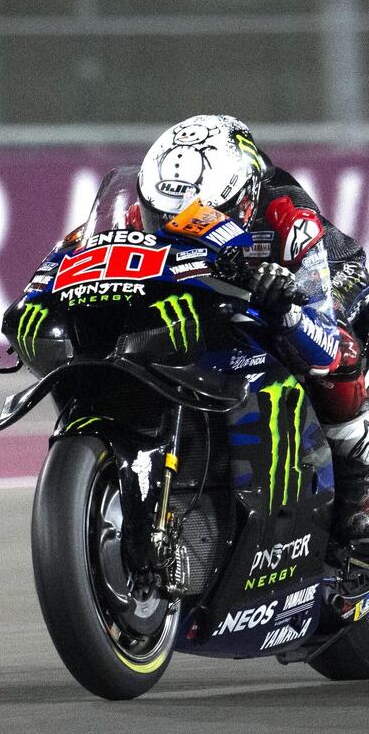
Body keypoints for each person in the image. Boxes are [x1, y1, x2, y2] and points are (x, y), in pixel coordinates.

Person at [132, 114, 369, 557]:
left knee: (335, 355)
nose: (171, 228)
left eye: (197, 219)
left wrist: (287, 309)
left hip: (332, 281)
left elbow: (329, 345)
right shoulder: (146, 215)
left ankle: (359, 491)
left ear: (241, 201)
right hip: (222, 295)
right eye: (158, 216)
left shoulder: (289, 220)